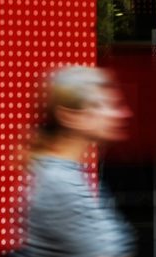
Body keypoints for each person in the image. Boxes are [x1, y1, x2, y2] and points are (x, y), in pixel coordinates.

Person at [13, 66, 135, 257]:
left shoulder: (68, 173)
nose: (120, 114)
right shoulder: (59, 183)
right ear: (69, 116)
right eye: (101, 105)